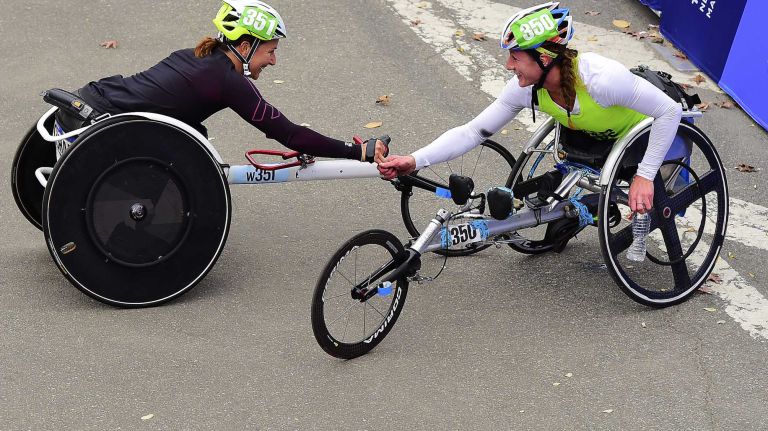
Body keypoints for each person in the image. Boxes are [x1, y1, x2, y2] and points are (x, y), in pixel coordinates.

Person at [377, 2, 683, 214]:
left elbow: (670, 112)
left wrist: (645, 175)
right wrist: (415, 160)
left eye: (516, 57)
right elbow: (472, 132)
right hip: (598, 141)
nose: (509, 65)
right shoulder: (529, 89)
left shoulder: (601, 79)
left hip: (653, 143)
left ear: (545, 57)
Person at [54, 0, 386, 163]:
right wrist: (358, 151)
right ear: (245, 46)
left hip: (80, 107)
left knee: (198, 134)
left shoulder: (196, 56)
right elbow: (289, 133)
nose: (273, 60)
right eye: (270, 51)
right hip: (98, 129)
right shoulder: (227, 81)